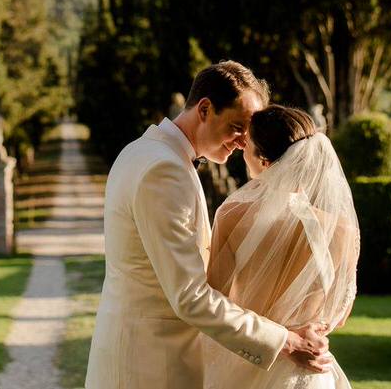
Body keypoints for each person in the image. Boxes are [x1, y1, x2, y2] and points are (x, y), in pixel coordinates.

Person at [85, 62, 331, 389]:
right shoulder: (165, 170)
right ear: (205, 109)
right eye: (237, 126)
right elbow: (190, 297)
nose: (244, 141)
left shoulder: (144, 152)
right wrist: (285, 342)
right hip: (150, 367)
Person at [203, 105, 360, 389]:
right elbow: (340, 316)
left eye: (246, 145)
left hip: (249, 366)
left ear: (264, 161)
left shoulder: (232, 215)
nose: (241, 151)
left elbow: (216, 304)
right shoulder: (343, 230)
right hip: (310, 372)